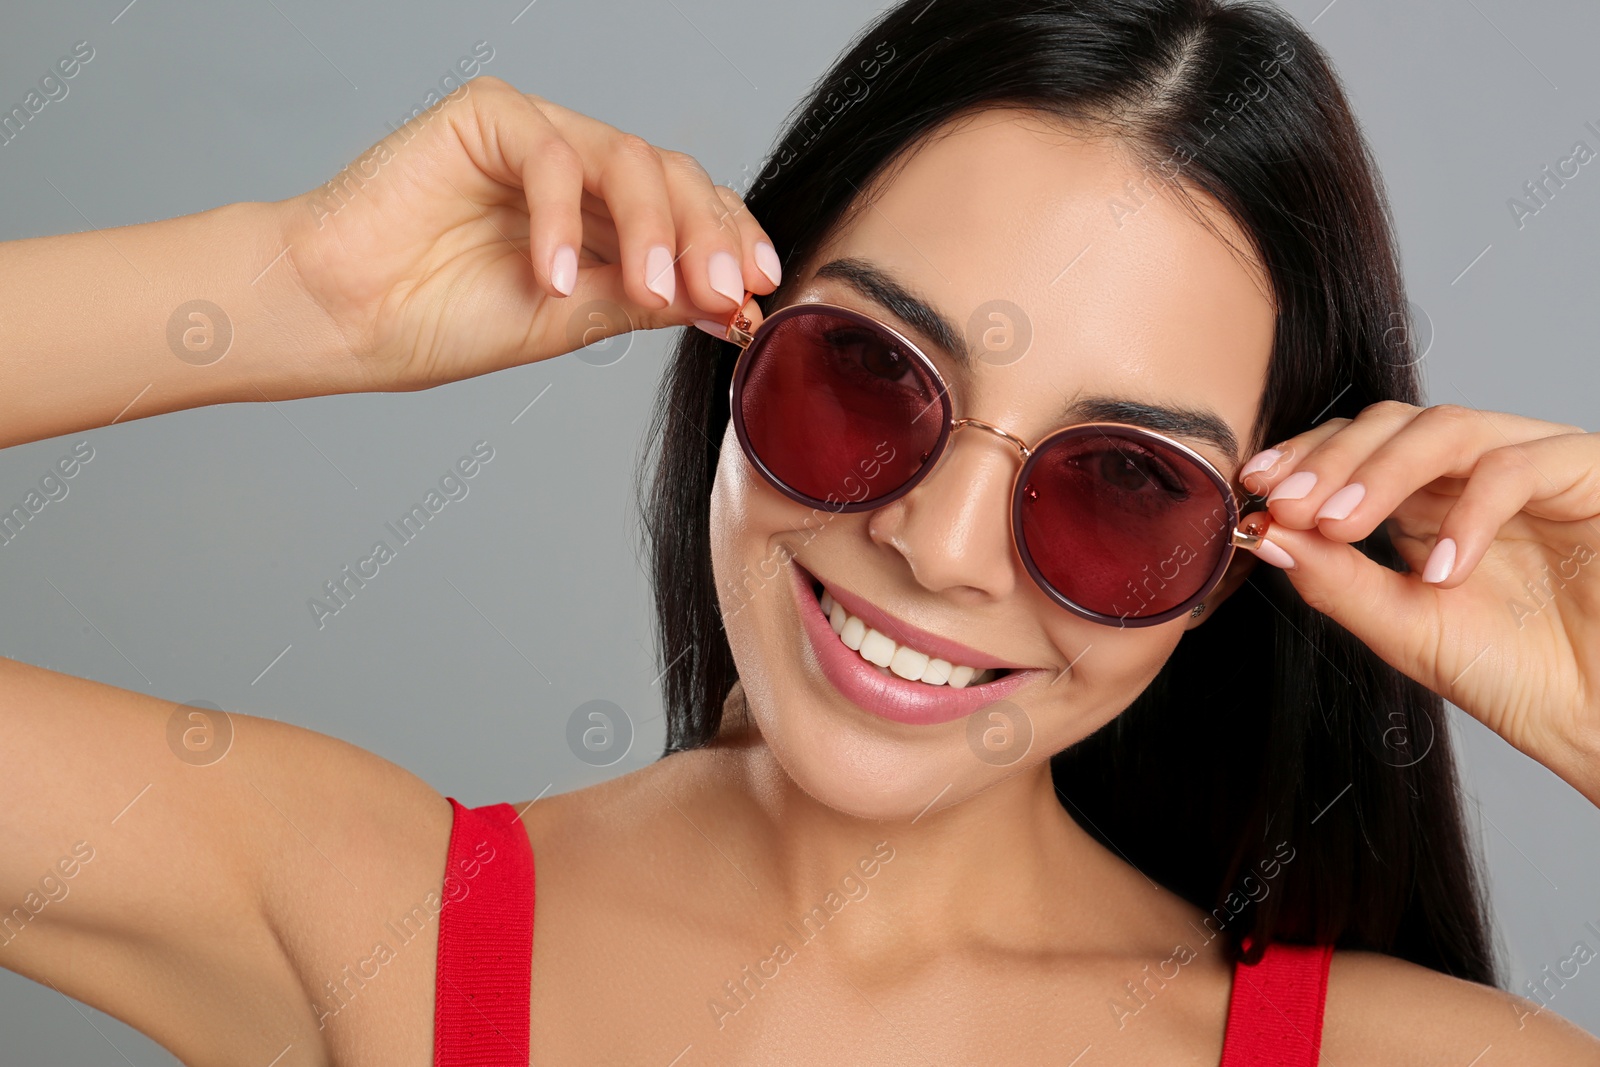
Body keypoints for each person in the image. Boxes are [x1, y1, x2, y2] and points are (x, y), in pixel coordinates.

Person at [3, 0, 1599, 1062]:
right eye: (868, 374)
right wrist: (282, 294)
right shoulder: (370, 921)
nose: (946, 545)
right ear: (729, 337)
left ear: (1246, 557)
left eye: (1125, 483)